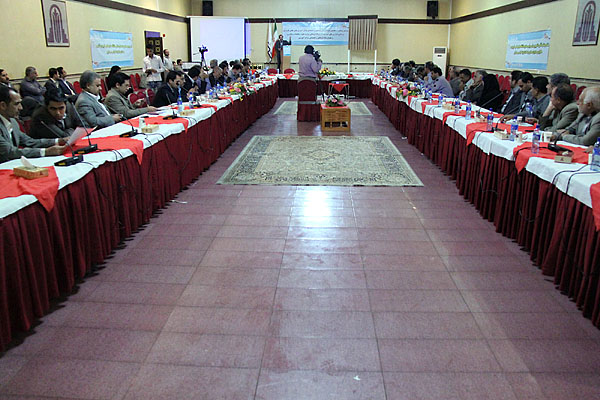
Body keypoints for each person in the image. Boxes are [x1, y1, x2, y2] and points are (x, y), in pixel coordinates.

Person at [0, 85, 67, 162]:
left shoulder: (13, 121)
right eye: (16, 104)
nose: (21, 108)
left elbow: (29, 141)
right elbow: (10, 152)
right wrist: (45, 152)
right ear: (3, 105)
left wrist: (58, 141)